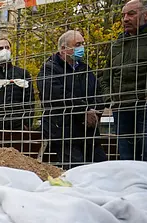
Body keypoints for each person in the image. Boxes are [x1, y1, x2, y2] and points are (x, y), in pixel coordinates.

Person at [99, 0, 147, 170]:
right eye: (123, 15)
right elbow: (104, 77)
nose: (125, 19)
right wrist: (110, 99)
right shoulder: (117, 44)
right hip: (122, 110)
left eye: (131, 14)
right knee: (127, 161)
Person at [38, 30, 107, 170]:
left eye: (82, 44)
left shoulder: (85, 70)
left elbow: (99, 92)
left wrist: (94, 111)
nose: (81, 48)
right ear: (63, 48)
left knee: (101, 168)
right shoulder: (49, 70)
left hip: (88, 130)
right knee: (76, 170)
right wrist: (84, 110)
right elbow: (59, 96)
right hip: (63, 131)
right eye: (77, 44)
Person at [0, 38, 35, 131]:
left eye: (7, 47)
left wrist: (27, 123)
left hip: (18, 126)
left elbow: (29, 100)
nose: (5, 50)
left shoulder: (22, 74)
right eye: (0, 48)